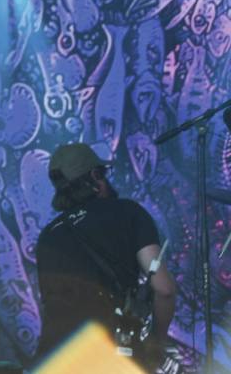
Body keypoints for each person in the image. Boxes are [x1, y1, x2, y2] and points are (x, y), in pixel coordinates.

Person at [34, 142, 177, 369]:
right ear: (95, 175)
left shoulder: (47, 237)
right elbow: (164, 288)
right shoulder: (128, 212)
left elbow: (50, 305)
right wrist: (157, 340)